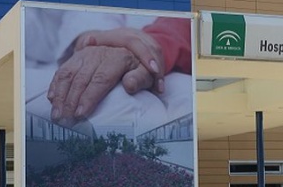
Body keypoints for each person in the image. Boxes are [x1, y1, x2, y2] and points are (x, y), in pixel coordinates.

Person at [24, 7, 192, 128]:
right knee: (123, 104)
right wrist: (95, 40)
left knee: (187, 99)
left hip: (151, 49)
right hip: (40, 57)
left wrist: (139, 47)